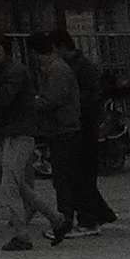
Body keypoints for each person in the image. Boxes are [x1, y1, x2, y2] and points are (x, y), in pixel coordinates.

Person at [0, 31, 72, 252]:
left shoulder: (16, 71)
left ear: (1, 49)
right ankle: (57, 219)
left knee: (9, 185)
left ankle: (22, 234)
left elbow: (2, 98)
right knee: (18, 184)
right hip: (6, 134)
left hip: (19, 133)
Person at [52, 27, 117, 230]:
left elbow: (92, 97)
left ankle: (89, 217)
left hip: (85, 125)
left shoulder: (83, 68)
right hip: (78, 124)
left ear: (61, 47)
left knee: (83, 174)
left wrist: (73, 107)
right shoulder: (73, 66)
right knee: (78, 174)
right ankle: (99, 212)